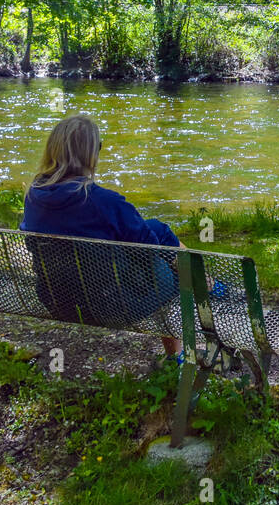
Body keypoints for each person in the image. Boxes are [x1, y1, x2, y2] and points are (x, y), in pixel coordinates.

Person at [20, 114, 184, 357]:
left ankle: (207, 284)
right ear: (91, 154)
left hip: (58, 300)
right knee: (179, 271)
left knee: (156, 229)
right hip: (112, 305)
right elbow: (152, 251)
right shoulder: (105, 202)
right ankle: (177, 354)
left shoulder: (33, 196)